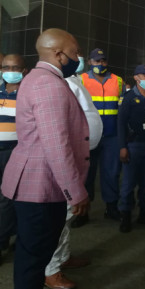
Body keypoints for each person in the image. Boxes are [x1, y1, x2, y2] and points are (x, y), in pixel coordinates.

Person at [1, 28, 90, 289]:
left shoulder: (39, 78)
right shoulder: (47, 84)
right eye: (75, 52)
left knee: (32, 255)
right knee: (34, 257)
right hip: (40, 186)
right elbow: (56, 145)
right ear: (59, 54)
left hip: (38, 182)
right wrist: (76, 192)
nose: (78, 57)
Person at [44, 53, 102, 289]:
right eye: (73, 53)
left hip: (80, 157)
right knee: (58, 215)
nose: (79, 58)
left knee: (68, 214)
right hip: (67, 158)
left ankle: (63, 258)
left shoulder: (74, 80)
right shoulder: (58, 83)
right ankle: (50, 270)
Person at [74, 48, 125, 227]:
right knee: (86, 173)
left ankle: (111, 208)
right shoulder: (81, 80)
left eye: (103, 61)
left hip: (111, 135)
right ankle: (83, 212)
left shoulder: (117, 80)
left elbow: (122, 109)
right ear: (90, 62)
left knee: (111, 173)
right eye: (96, 61)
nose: (100, 64)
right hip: (88, 135)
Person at [117, 64, 145, 233]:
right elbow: (120, 124)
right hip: (133, 145)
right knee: (128, 182)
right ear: (136, 78)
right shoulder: (128, 98)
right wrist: (122, 147)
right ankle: (125, 214)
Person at [0, 54, 26, 265]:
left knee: (10, 198)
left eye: (14, 67)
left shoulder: (27, 93)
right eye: (5, 67)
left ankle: (4, 242)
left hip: (15, 152)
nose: (10, 71)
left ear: (24, 70)